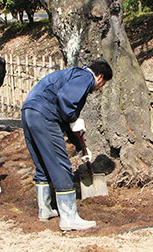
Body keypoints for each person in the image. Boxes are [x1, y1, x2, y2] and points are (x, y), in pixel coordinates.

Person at [21, 59, 113, 231]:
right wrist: (73, 119)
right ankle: (69, 217)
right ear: (100, 77)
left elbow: (67, 117)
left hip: (29, 112)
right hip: (44, 115)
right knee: (60, 163)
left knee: (42, 163)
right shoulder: (86, 77)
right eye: (103, 84)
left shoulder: (71, 76)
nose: (99, 88)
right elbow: (67, 106)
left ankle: (45, 209)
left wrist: (80, 148)